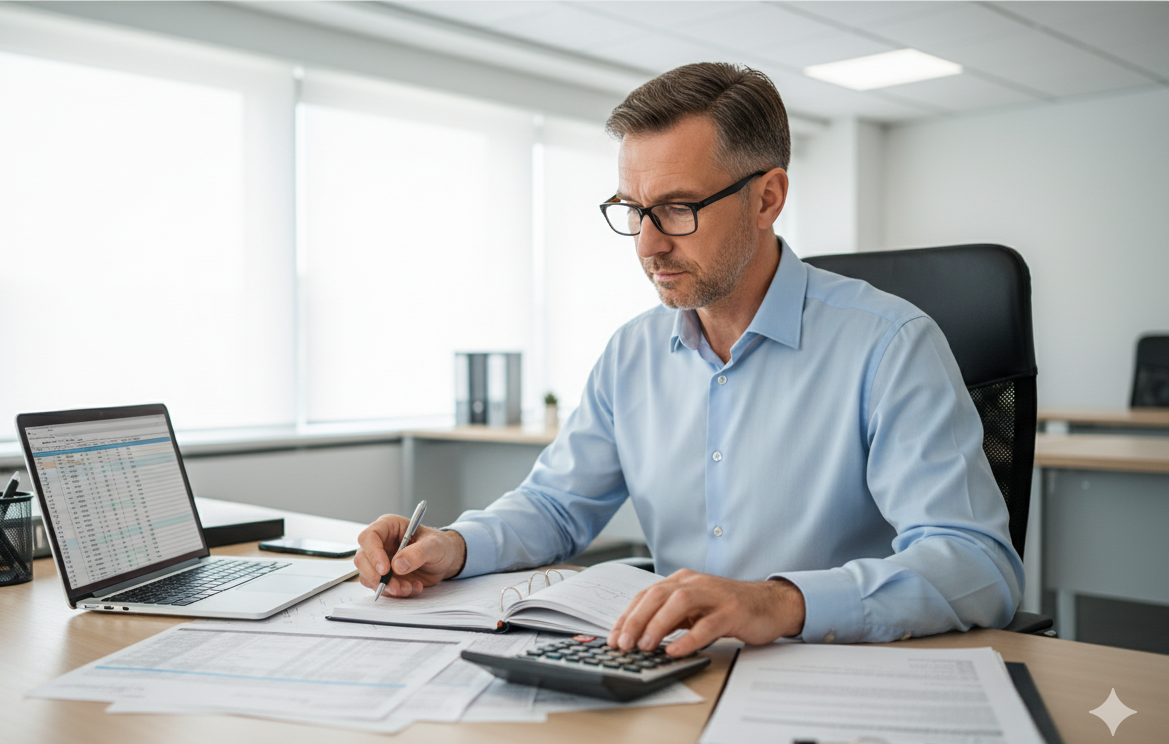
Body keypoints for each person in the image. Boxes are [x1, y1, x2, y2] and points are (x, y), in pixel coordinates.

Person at [354, 62, 1023, 655]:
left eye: (676, 209)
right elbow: (557, 506)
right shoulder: (633, 353)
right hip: (672, 670)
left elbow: (977, 565)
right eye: (632, 209)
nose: (646, 246)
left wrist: (777, 602)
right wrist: (454, 545)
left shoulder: (889, 345)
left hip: (839, 674)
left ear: (768, 198)